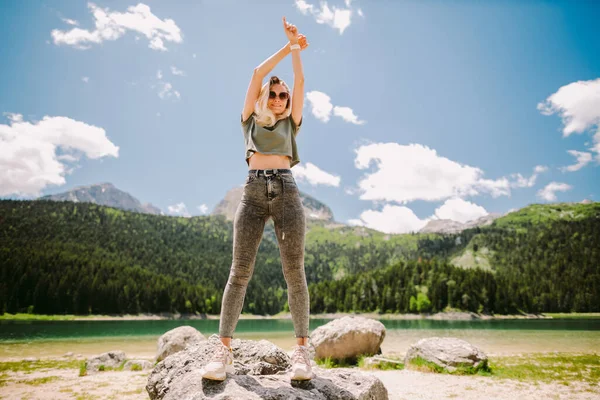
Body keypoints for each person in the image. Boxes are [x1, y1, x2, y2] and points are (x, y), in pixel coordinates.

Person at [200, 17, 312, 382]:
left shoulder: (290, 123)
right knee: (239, 273)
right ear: (265, 96)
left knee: (294, 272)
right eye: (275, 94)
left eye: (285, 97)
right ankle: (224, 351)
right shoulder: (249, 120)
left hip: (287, 192)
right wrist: (286, 45)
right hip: (251, 194)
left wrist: (297, 50)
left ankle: (301, 353)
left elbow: (300, 81)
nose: (281, 100)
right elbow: (255, 72)